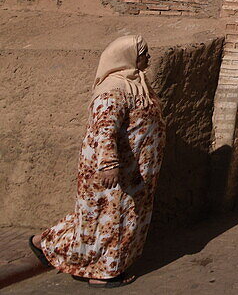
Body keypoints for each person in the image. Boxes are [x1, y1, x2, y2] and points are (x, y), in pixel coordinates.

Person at [28, 35, 165, 288]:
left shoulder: (136, 83)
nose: (148, 58)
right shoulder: (113, 89)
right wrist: (109, 164)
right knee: (105, 222)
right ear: (129, 57)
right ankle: (100, 273)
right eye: (144, 53)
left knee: (109, 221)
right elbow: (103, 129)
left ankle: (48, 244)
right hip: (113, 172)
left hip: (133, 173)